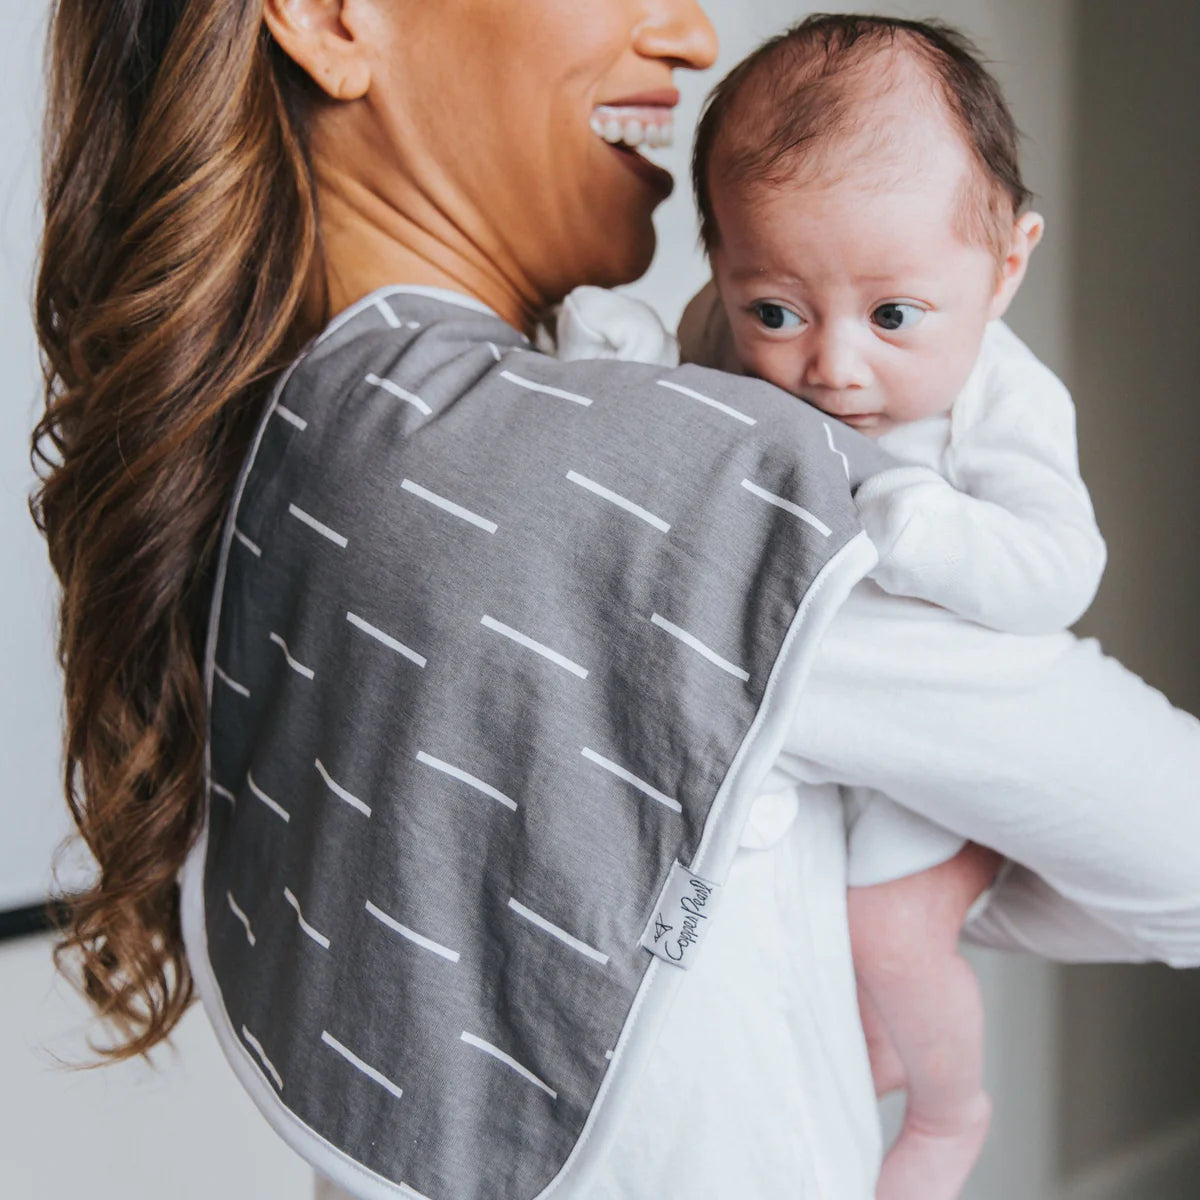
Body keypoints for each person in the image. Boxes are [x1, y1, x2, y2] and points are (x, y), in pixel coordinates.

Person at [27, 4, 1200, 1200]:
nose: (691, 31)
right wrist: (938, 879)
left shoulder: (306, 434)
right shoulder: (680, 501)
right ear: (336, 18)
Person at [557, 16, 1109, 1198]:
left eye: (893, 316)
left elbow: (1061, 567)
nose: (834, 366)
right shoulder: (729, 339)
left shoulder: (1000, 396)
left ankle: (950, 1112)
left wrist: (930, 528)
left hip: (938, 740)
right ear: (722, 270)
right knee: (800, 937)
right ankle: (876, 1064)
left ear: (1005, 269)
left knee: (889, 936)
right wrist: (623, 363)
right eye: (777, 310)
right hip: (803, 731)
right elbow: (687, 427)